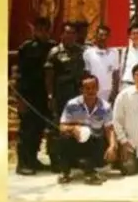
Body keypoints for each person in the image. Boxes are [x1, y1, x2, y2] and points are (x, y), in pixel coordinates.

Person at [15, 17, 56, 175]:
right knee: (27, 130)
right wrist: (19, 98)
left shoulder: (52, 47)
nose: (43, 33)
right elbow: (19, 75)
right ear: (35, 30)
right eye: (40, 29)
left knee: (38, 129)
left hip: (43, 94)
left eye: (46, 30)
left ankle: (33, 160)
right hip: (28, 95)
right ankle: (22, 163)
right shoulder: (26, 48)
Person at [58, 74, 115, 184]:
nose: (91, 91)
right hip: (75, 140)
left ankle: (90, 173)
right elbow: (62, 127)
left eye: (93, 87)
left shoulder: (105, 107)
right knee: (62, 137)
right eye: (87, 88)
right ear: (81, 89)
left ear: (98, 88)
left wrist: (112, 146)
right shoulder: (72, 104)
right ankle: (64, 172)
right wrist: (73, 128)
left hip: (95, 142)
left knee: (95, 138)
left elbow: (110, 129)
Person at [44, 23, 86, 168]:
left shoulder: (80, 51)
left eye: (73, 33)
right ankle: (56, 159)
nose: (70, 36)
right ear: (62, 34)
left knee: (75, 126)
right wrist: (50, 96)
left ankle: (72, 157)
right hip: (60, 94)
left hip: (76, 95)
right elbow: (49, 76)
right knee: (57, 127)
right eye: (67, 33)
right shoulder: (55, 52)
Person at [83, 24, 120, 104]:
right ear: (96, 36)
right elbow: (86, 74)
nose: (103, 37)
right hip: (93, 91)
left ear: (109, 37)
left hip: (108, 92)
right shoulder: (88, 53)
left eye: (106, 35)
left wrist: (114, 92)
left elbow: (116, 74)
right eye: (101, 35)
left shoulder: (114, 52)